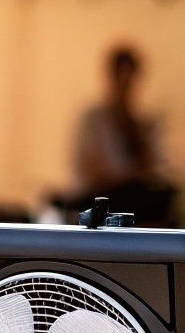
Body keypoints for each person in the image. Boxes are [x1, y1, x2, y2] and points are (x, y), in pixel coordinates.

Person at [73, 45, 173, 222]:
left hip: (135, 197)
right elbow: (88, 168)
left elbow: (157, 165)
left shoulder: (143, 123)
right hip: (105, 198)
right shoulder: (94, 120)